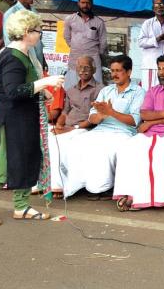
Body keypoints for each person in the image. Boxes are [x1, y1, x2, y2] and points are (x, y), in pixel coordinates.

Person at [0, 10, 65, 226]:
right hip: (9, 121)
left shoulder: (23, 53)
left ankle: (21, 206)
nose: (39, 35)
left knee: (26, 161)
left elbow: (23, 86)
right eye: (38, 31)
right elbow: (13, 91)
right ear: (27, 32)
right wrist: (44, 84)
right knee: (3, 166)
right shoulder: (12, 56)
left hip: (23, 119)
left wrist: (42, 91)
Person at [113, 54, 164, 211]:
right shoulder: (153, 90)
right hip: (150, 133)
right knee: (127, 149)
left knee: (156, 155)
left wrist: (151, 122)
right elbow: (144, 114)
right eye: (159, 69)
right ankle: (128, 192)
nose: (161, 72)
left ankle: (148, 199)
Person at [61, 55, 145, 199]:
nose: (114, 74)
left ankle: (101, 188)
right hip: (101, 130)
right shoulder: (106, 91)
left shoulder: (138, 92)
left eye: (118, 71)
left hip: (123, 132)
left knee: (104, 150)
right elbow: (92, 118)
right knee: (75, 143)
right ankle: (79, 184)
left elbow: (134, 120)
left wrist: (111, 112)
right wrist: (101, 116)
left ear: (129, 72)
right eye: (112, 71)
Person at [48, 55, 103, 197]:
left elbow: (95, 116)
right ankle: (43, 182)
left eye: (87, 67)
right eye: (79, 67)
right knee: (45, 137)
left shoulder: (99, 89)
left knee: (59, 143)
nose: (82, 70)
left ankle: (60, 185)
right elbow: (65, 111)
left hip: (84, 129)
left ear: (94, 69)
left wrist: (72, 128)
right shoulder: (71, 89)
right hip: (67, 127)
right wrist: (59, 125)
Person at [63, 0, 107, 88]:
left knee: (96, 90)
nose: (85, 5)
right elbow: (66, 37)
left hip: (93, 61)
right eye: (83, 2)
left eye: (88, 3)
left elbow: (103, 42)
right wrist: (76, 47)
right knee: (72, 89)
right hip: (75, 60)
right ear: (78, 3)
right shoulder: (70, 19)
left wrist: (95, 53)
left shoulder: (99, 22)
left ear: (91, 4)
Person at [2, 0, 45, 68]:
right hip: (22, 61)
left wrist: (42, 59)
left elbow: (39, 40)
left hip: (37, 61)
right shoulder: (11, 14)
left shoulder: (34, 12)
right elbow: (9, 40)